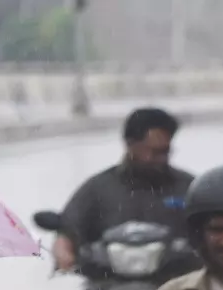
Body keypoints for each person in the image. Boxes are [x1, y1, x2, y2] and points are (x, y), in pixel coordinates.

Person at [53, 107, 196, 274]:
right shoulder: (97, 189)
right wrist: (64, 257)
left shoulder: (189, 188)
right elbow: (67, 233)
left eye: (165, 151)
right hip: (106, 281)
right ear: (130, 144)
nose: (161, 158)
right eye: (154, 152)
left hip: (176, 281)